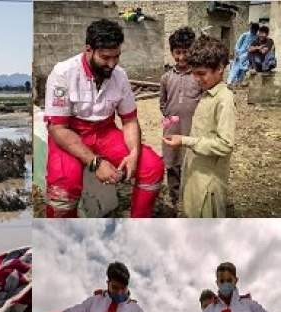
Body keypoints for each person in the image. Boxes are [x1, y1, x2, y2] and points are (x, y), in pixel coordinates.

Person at [43, 19, 164, 218]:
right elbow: (58, 129)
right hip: (69, 133)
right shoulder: (63, 73)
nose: (112, 64)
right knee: (63, 189)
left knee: (152, 166)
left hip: (105, 131)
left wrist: (133, 154)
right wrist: (96, 163)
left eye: (116, 57)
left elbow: (129, 120)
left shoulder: (120, 76)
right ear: (88, 50)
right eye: (105, 57)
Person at [163, 36, 235, 218]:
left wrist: (186, 140)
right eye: (193, 73)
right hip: (196, 175)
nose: (195, 79)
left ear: (219, 69)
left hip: (208, 183)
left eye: (201, 74)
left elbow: (225, 144)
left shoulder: (224, 99)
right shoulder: (207, 93)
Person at [160, 27, 202, 210]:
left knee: (191, 162)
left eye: (186, 52)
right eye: (178, 52)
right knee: (172, 162)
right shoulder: (166, 77)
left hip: (192, 128)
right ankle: (174, 195)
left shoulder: (199, 76)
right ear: (172, 53)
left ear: (192, 51)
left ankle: (191, 196)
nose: (182, 57)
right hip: (172, 127)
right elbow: (162, 103)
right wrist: (169, 120)